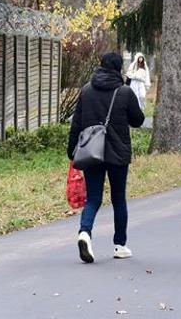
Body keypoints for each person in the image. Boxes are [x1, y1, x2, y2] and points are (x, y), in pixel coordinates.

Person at [67, 52, 145, 264]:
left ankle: (85, 233)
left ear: (100, 66)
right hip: (118, 154)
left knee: (93, 198)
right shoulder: (124, 92)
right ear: (119, 69)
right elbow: (138, 120)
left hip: (91, 152)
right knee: (118, 198)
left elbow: (76, 123)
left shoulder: (86, 90)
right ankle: (120, 245)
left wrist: (72, 150)